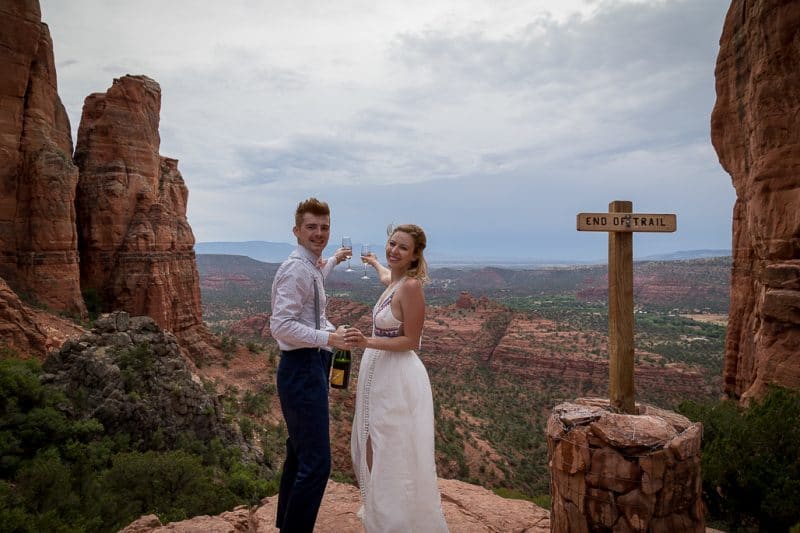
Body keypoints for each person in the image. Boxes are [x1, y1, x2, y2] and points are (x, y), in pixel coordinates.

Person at [344, 224, 449, 532]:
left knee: (391, 446)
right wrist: (375, 262)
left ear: (415, 255)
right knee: (372, 442)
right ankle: (380, 508)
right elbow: (385, 278)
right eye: (392, 244)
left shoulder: (412, 287)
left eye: (403, 247)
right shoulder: (396, 281)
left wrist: (367, 342)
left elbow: (412, 341)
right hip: (378, 373)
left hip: (397, 376)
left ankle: (395, 521)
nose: (394, 250)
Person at [270, 197, 350, 532]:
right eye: (311, 227)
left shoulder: (310, 264)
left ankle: (284, 525)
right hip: (302, 369)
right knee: (317, 465)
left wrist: (335, 259)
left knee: (299, 453)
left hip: (308, 367)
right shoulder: (296, 270)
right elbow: (281, 326)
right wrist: (329, 339)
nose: (319, 233)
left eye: (324, 227)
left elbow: (317, 274)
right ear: (297, 230)